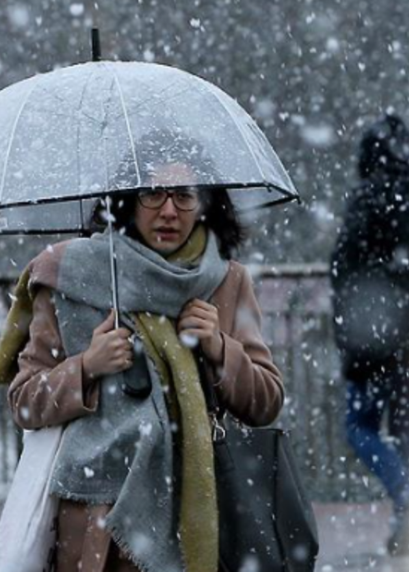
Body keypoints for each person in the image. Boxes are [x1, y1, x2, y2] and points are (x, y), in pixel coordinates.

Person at [2, 139, 283, 572]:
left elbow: (266, 401)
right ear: (127, 200)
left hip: (194, 513)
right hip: (96, 522)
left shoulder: (226, 281)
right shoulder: (70, 275)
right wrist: (86, 366)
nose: (168, 211)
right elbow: (23, 401)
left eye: (184, 195)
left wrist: (218, 347)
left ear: (205, 203)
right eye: (152, 193)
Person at [330, 113, 409, 556]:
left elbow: (343, 271)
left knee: (360, 425)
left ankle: (407, 496)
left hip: (371, 332)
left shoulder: (365, 201)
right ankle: (407, 518)